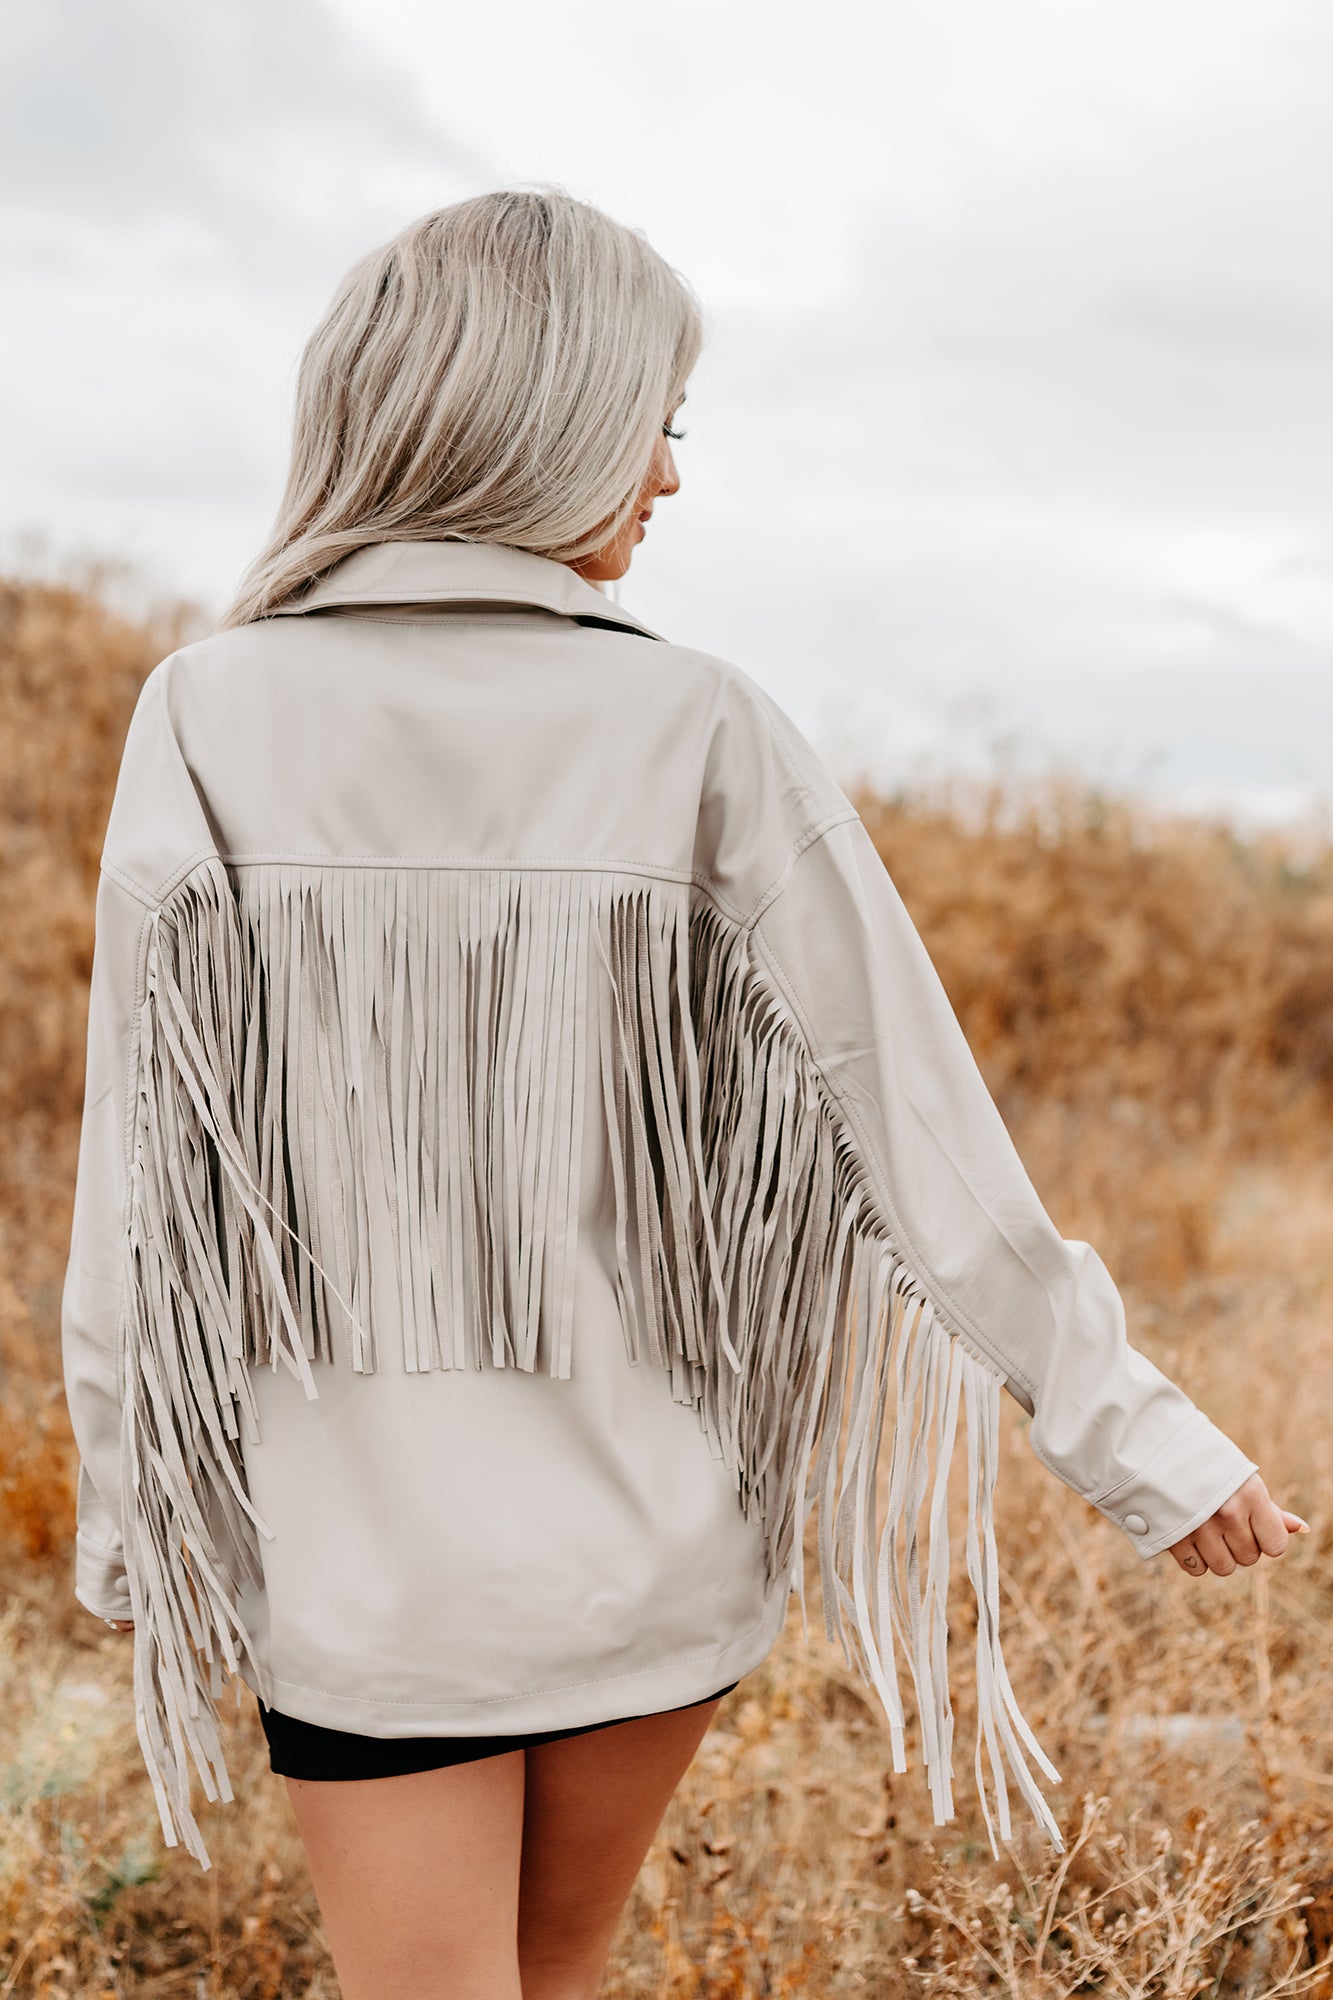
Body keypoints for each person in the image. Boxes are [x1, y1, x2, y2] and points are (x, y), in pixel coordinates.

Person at [63, 185, 1307, 2000]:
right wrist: (1134, 1436)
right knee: (554, 1974)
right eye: (653, 422)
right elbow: (918, 1128)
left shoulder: (206, 712)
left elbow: (141, 1182)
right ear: (539, 418)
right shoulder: (701, 721)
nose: (664, 475)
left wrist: (129, 1520)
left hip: (362, 1564)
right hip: (650, 1538)